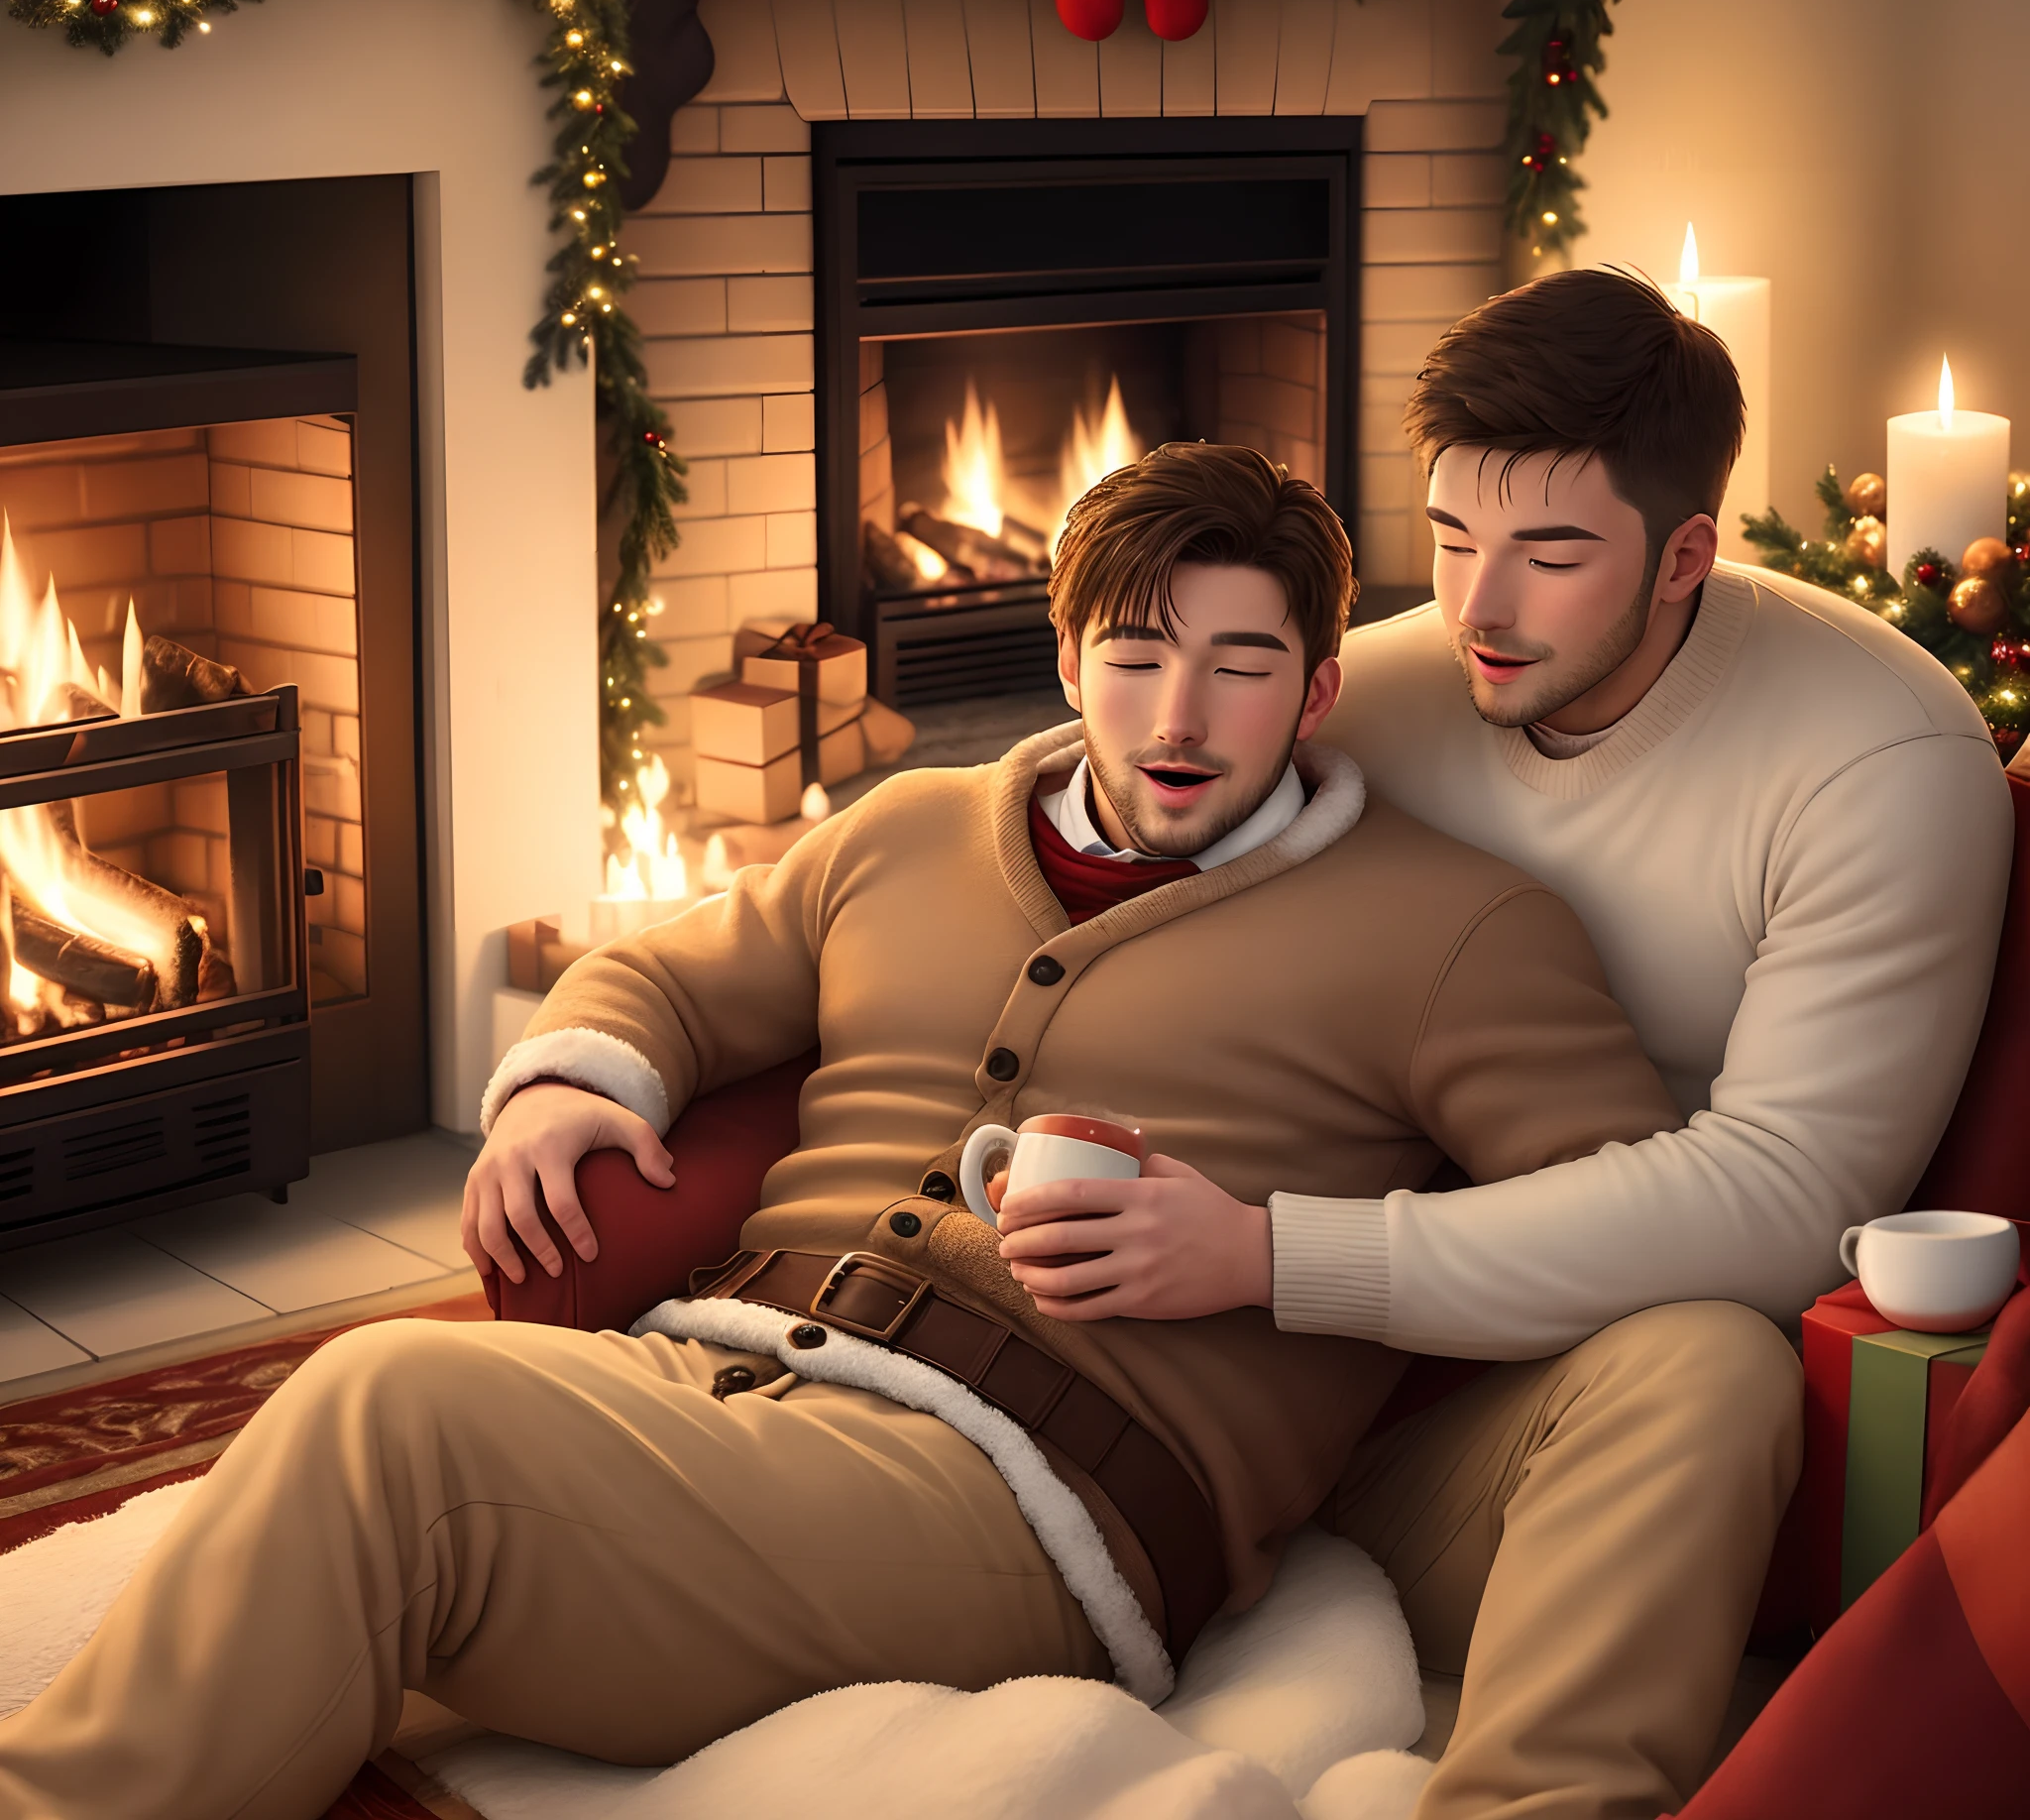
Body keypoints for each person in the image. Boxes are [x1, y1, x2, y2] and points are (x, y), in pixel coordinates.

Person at [0, 446, 1778, 1820]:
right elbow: (667, 980)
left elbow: (1632, 1225)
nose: (1180, 718)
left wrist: (1269, 1255)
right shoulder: (902, 831)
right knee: (380, 1460)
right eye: (1140, 655)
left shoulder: (1448, 930)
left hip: (1020, 1503)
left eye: (1242, 668)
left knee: (385, 1404)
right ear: (1070, 654)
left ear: (1316, 692)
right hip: (716, 1394)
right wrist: (563, 1081)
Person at [993, 273, 2012, 1820]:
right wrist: (611, 1042)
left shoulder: (1879, 758)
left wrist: (1277, 1256)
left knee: (1707, 1365)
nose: (1477, 606)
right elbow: (1088, 793)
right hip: (1250, 1379)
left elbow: (1787, 1199)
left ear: (1686, 556)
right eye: (1455, 538)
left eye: (1549, 555)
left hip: (1547, 1392)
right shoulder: (1394, 689)